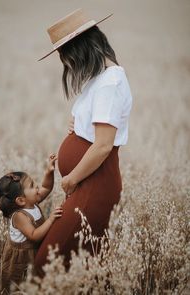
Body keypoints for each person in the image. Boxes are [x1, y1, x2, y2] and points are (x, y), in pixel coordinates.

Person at [35, 8, 133, 275]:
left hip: (93, 184)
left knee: (45, 265)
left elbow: (103, 145)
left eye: (65, 56)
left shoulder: (109, 83)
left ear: (80, 48)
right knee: (89, 272)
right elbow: (94, 126)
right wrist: (77, 124)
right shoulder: (100, 78)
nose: (65, 63)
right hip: (88, 183)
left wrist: (71, 179)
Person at [0, 154, 63, 294]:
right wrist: (51, 220)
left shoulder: (32, 201)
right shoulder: (19, 216)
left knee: (35, 285)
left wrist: (49, 171)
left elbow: (46, 187)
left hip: (34, 252)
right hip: (21, 260)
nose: (37, 186)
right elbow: (33, 235)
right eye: (32, 186)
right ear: (21, 200)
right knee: (20, 287)